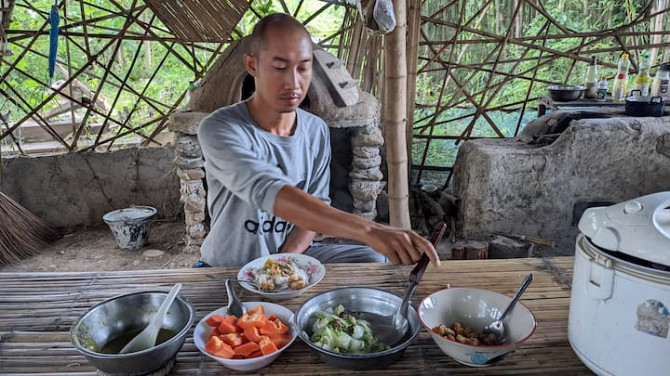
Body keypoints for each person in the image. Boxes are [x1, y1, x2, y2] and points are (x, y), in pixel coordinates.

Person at [197, 13, 439, 268]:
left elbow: (316, 204)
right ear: (252, 65)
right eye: (279, 67)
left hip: (287, 258)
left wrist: (281, 265)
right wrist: (369, 230)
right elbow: (266, 189)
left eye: (303, 68)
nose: (293, 83)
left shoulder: (316, 130)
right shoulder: (219, 128)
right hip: (228, 266)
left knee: (371, 259)